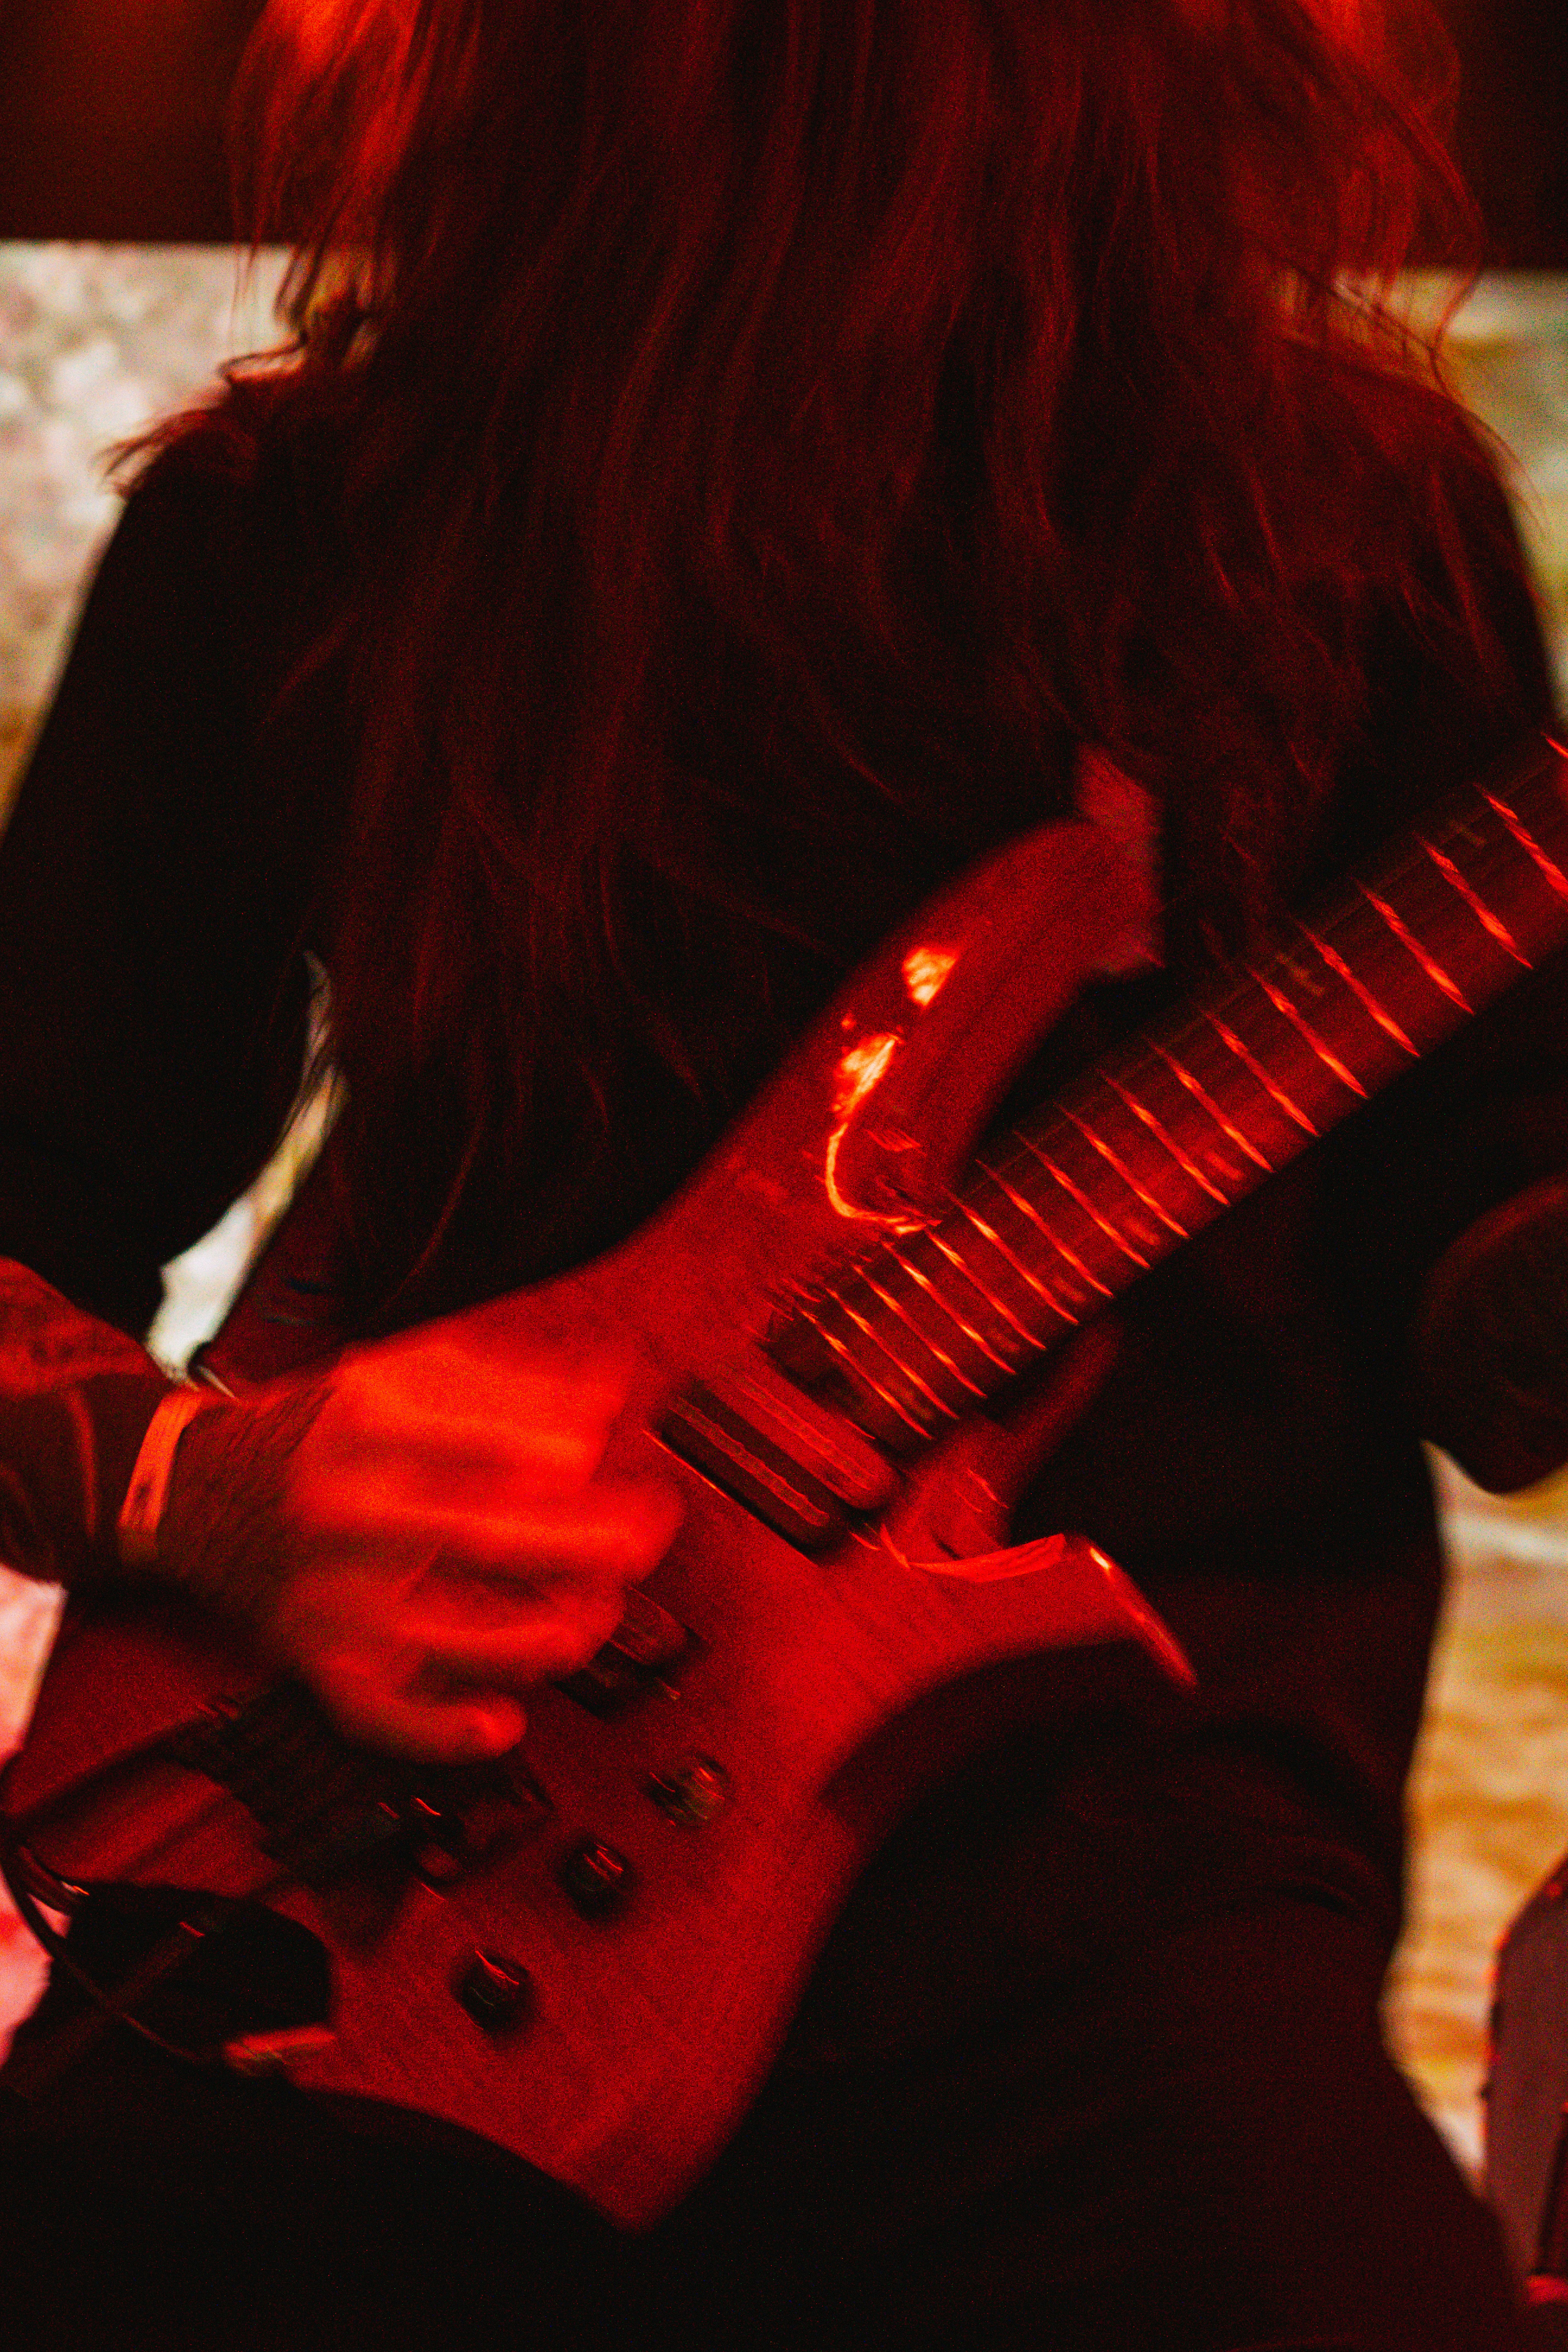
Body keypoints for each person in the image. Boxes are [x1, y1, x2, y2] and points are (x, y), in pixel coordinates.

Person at [0, 1, 1564, 2343]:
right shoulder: (303, 524)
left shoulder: (1345, 524)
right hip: (400, 1870)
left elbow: (1488, 1270)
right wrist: (215, 1491)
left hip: (1100, 1922)